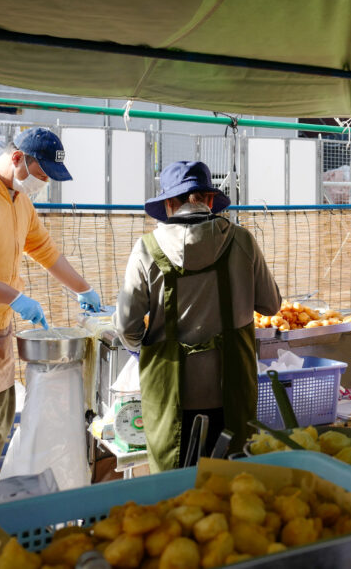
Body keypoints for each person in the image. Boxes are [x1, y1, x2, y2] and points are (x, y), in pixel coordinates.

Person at [0, 127, 102, 486]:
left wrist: (85, 289)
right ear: (18, 158)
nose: (43, 183)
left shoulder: (19, 200)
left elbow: (45, 250)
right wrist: (15, 297)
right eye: (41, 174)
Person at [114, 161, 280, 471]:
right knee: (230, 483)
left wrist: (139, 348)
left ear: (168, 203)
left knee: (175, 491)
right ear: (210, 199)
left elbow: (126, 325)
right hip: (231, 390)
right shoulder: (242, 241)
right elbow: (270, 306)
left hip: (170, 395)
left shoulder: (146, 249)